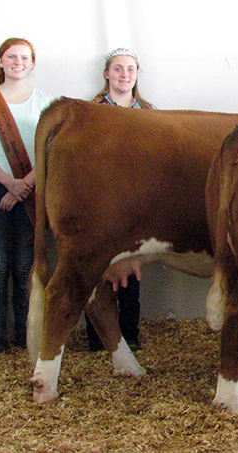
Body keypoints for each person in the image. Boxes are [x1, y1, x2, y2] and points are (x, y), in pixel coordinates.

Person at [0, 38, 55, 352]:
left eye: (25, 57)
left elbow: (50, 150)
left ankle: (24, 334)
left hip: (32, 191)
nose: (18, 62)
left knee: (24, 267)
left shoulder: (47, 103)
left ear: (32, 64)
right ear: (1, 61)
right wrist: (9, 183)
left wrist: (23, 187)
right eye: (12, 56)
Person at [85, 47, 156, 352]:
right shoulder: (90, 110)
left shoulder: (148, 112)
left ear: (137, 75)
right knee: (97, 268)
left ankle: (129, 334)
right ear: (106, 74)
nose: (124, 75)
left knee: (131, 267)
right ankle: (98, 337)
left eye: (130, 69)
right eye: (118, 69)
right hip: (100, 197)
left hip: (134, 201)